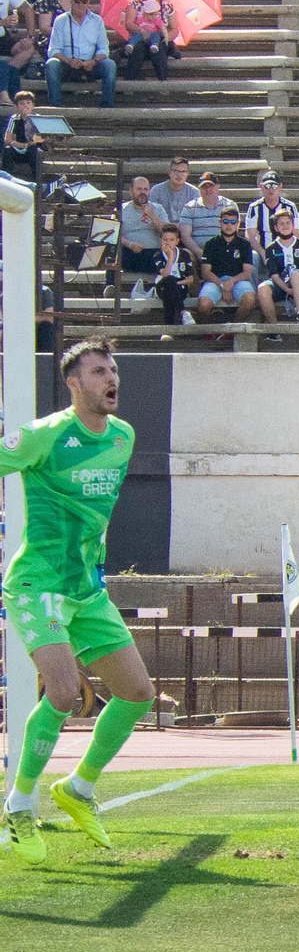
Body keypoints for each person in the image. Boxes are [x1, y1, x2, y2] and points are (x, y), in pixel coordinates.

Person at [0, 339, 156, 866]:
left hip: (87, 590)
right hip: (37, 584)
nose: (111, 379)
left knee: (137, 692)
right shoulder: (44, 436)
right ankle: (20, 803)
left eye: (113, 370)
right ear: (74, 383)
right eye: (98, 371)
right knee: (64, 692)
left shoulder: (123, 436)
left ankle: (79, 788)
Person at [44, 0, 111, 107]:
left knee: (109, 65)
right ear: (71, 1)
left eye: (84, 1)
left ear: (88, 3)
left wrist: (94, 61)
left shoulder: (97, 21)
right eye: (77, 1)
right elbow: (53, 50)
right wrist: (68, 61)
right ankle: (56, 106)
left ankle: (107, 107)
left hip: (90, 64)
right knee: (51, 64)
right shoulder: (60, 20)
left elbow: (104, 49)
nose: (80, 4)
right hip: (67, 65)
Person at [196, 206, 258, 322]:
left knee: (250, 299)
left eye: (233, 222)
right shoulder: (211, 244)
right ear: (220, 222)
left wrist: (231, 281)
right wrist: (222, 285)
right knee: (203, 304)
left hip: (238, 281)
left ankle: (231, 331)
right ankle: (213, 332)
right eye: (225, 221)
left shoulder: (244, 244)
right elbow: (205, 272)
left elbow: (247, 272)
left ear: (238, 223)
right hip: (215, 281)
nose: (229, 225)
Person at [256, 209, 299, 327]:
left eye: (288, 223)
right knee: (262, 288)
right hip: (280, 285)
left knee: (295, 274)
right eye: (281, 224)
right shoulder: (271, 248)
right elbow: (274, 275)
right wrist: (286, 289)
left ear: (293, 225)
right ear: (276, 228)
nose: (285, 226)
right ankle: (273, 328)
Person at [117, 174, 164, 286]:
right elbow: (113, 234)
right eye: (139, 189)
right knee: (112, 250)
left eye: (145, 189)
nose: (143, 192)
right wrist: (130, 244)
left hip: (153, 255)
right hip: (129, 254)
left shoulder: (158, 208)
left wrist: (152, 215)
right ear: (131, 191)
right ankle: (111, 286)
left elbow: (167, 231)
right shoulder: (120, 209)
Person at [177, 172, 238, 259]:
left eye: (211, 186)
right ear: (199, 188)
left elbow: (233, 231)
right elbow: (185, 236)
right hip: (197, 250)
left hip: (223, 248)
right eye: (204, 186)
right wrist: (199, 253)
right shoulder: (189, 207)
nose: (208, 189)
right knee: (186, 255)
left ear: (218, 186)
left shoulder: (229, 205)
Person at [244, 168, 299, 262]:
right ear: (261, 187)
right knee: (252, 257)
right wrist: (264, 254)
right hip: (262, 253)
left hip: (285, 252)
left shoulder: (290, 207)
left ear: (280, 186)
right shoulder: (254, 208)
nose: (271, 189)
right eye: (267, 186)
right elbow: (250, 237)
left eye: (274, 186)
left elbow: (297, 233)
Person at [122, 0, 174, 81]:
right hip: (140, 38)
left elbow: (175, 28)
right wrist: (142, 31)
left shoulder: (166, 5)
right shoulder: (136, 4)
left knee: (159, 49)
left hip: (158, 40)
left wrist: (166, 38)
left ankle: (163, 82)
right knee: (138, 48)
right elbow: (129, 24)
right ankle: (130, 81)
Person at [150, 222, 195, 326]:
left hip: (180, 289)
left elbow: (190, 279)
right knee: (169, 280)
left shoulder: (184, 254)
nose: (168, 243)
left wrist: (176, 284)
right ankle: (183, 312)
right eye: (165, 239)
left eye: (171, 240)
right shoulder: (158, 255)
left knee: (170, 291)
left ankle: (168, 329)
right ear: (161, 240)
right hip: (161, 287)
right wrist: (170, 256)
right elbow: (165, 275)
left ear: (177, 241)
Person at [0, 0, 37, 105]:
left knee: (29, 48)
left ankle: (5, 70)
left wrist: (30, 37)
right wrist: (2, 23)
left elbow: (28, 9)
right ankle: (7, 95)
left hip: (2, 37)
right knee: (7, 68)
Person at [1, 87, 41, 182]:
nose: (25, 106)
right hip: (19, 151)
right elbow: (7, 140)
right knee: (7, 151)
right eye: (21, 104)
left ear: (33, 105)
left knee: (34, 150)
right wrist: (20, 145)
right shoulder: (14, 119)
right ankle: (7, 181)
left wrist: (25, 145)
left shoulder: (38, 119)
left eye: (28, 103)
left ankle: (38, 182)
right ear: (17, 106)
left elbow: (38, 140)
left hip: (33, 151)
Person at [151, 155, 199, 224]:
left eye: (183, 172)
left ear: (188, 174)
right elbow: (152, 214)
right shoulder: (157, 190)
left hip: (187, 228)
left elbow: (197, 217)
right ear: (170, 173)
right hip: (163, 229)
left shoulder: (194, 192)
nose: (179, 175)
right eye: (176, 171)